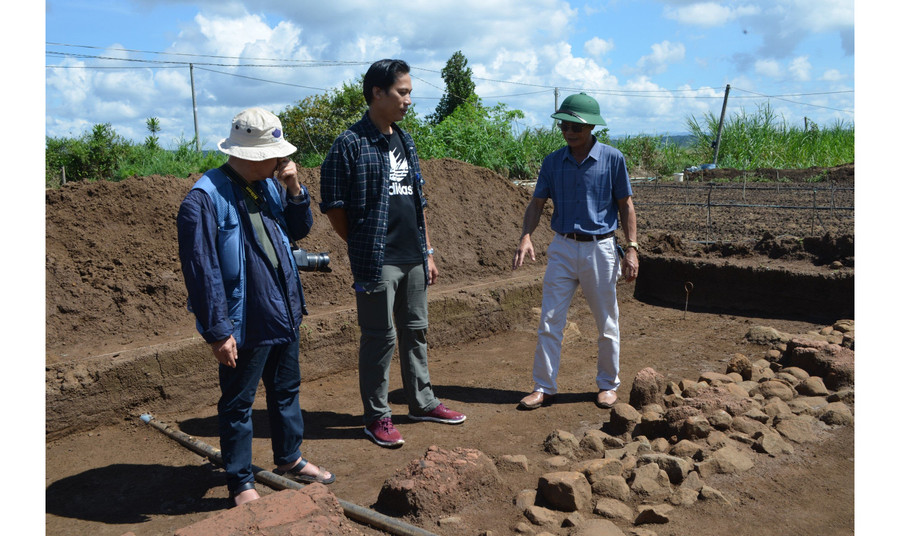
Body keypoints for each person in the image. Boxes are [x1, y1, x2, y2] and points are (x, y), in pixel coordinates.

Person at [177, 107, 334, 506]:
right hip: (243, 321)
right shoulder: (204, 199)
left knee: (286, 391)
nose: (282, 159)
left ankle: (289, 458)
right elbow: (202, 272)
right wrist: (217, 331)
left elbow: (298, 231)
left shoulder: (267, 184)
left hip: (283, 310)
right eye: (275, 153)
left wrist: (295, 188)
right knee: (238, 404)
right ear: (249, 154)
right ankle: (241, 481)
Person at [320, 59, 466, 449]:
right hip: (377, 260)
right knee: (379, 337)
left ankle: (422, 402)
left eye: (409, 93)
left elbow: (418, 203)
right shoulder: (349, 144)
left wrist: (428, 251)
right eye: (402, 92)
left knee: (416, 332)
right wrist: (362, 244)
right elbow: (334, 205)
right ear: (377, 93)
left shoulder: (406, 140)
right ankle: (377, 417)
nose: (407, 100)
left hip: (414, 256)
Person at [512, 93, 639, 411]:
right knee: (549, 320)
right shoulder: (554, 162)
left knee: (607, 321)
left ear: (592, 127)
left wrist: (633, 248)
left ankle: (608, 385)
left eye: (576, 127)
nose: (569, 132)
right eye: (565, 125)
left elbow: (626, 205)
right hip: (563, 247)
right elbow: (537, 203)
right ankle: (544, 386)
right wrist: (526, 236)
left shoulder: (612, 159)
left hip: (600, 248)